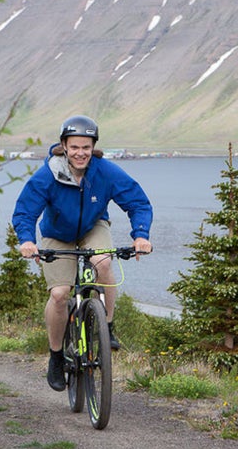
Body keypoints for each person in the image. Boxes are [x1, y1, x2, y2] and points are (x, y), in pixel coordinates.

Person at [12, 115, 153, 391]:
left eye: (86, 147)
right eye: (74, 147)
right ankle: (55, 356)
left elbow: (138, 202)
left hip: (92, 225)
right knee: (59, 294)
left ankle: (107, 326)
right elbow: (25, 210)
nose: (80, 153)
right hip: (57, 234)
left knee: (102, 261)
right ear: (64, 146)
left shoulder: (105, 172)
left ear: (93, 147)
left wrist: (140, 235)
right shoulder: (49, 174)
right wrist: (27, 241)